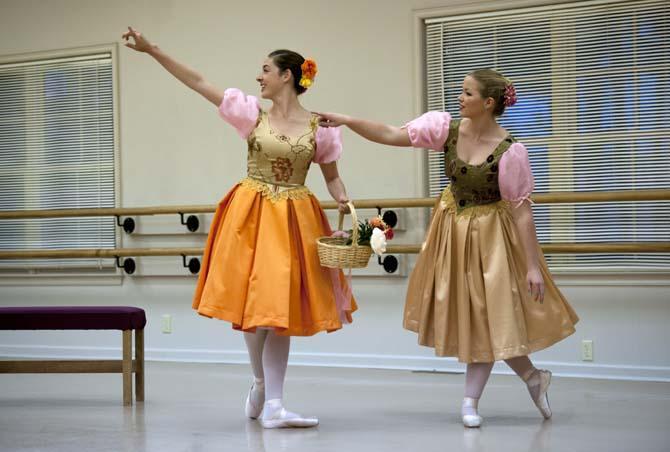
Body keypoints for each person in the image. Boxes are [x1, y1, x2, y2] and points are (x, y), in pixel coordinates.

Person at [123, 27, 356, 429]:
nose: (258, 76)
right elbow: (199, 83)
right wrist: (153, 49)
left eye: (265, 69)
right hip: (252, 214)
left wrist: (344, 200)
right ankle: (261, 381)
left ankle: (276, 405)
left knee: (279, 309)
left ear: (287, 76)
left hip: (296, 215)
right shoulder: (251, 115)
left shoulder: (322, 127)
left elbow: (332, 177)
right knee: (257, 310)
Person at [317, 68, 578, 427]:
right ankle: (533, 378)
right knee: (476, 317)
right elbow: (392, 134)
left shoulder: (511, 151)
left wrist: (532, 266)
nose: (460, 98)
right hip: (452, 232)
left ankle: (472, 401)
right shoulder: (446, 129)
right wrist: (346, 119)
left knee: (486, 316)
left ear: (487, 103)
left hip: (492, 240)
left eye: (467, 93)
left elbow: (522, 214)